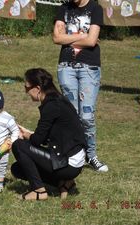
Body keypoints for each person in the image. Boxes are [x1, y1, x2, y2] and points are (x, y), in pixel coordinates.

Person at [11, 68, 87, 200]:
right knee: (17, 169)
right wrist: (29, 133)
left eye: (27, 87)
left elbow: (37, 140)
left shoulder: (51, 106)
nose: (26, 91)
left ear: (38, 88)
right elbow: (49, 136)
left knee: (18, 145)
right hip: (73, 160)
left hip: (69, 163)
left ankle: (39, 191)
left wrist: (25, 135)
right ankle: (64, 183)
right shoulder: (58, 100)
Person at [52, 0, 108, 172]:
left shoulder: (95, 9)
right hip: (66, 67)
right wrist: (83, 36)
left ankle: (91, 155)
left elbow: (92, 42)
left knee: (86, 115)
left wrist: (67, 39)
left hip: (89, 68)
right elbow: (56, 38)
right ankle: (76, 154)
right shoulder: (64, 9)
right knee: (71, 115)